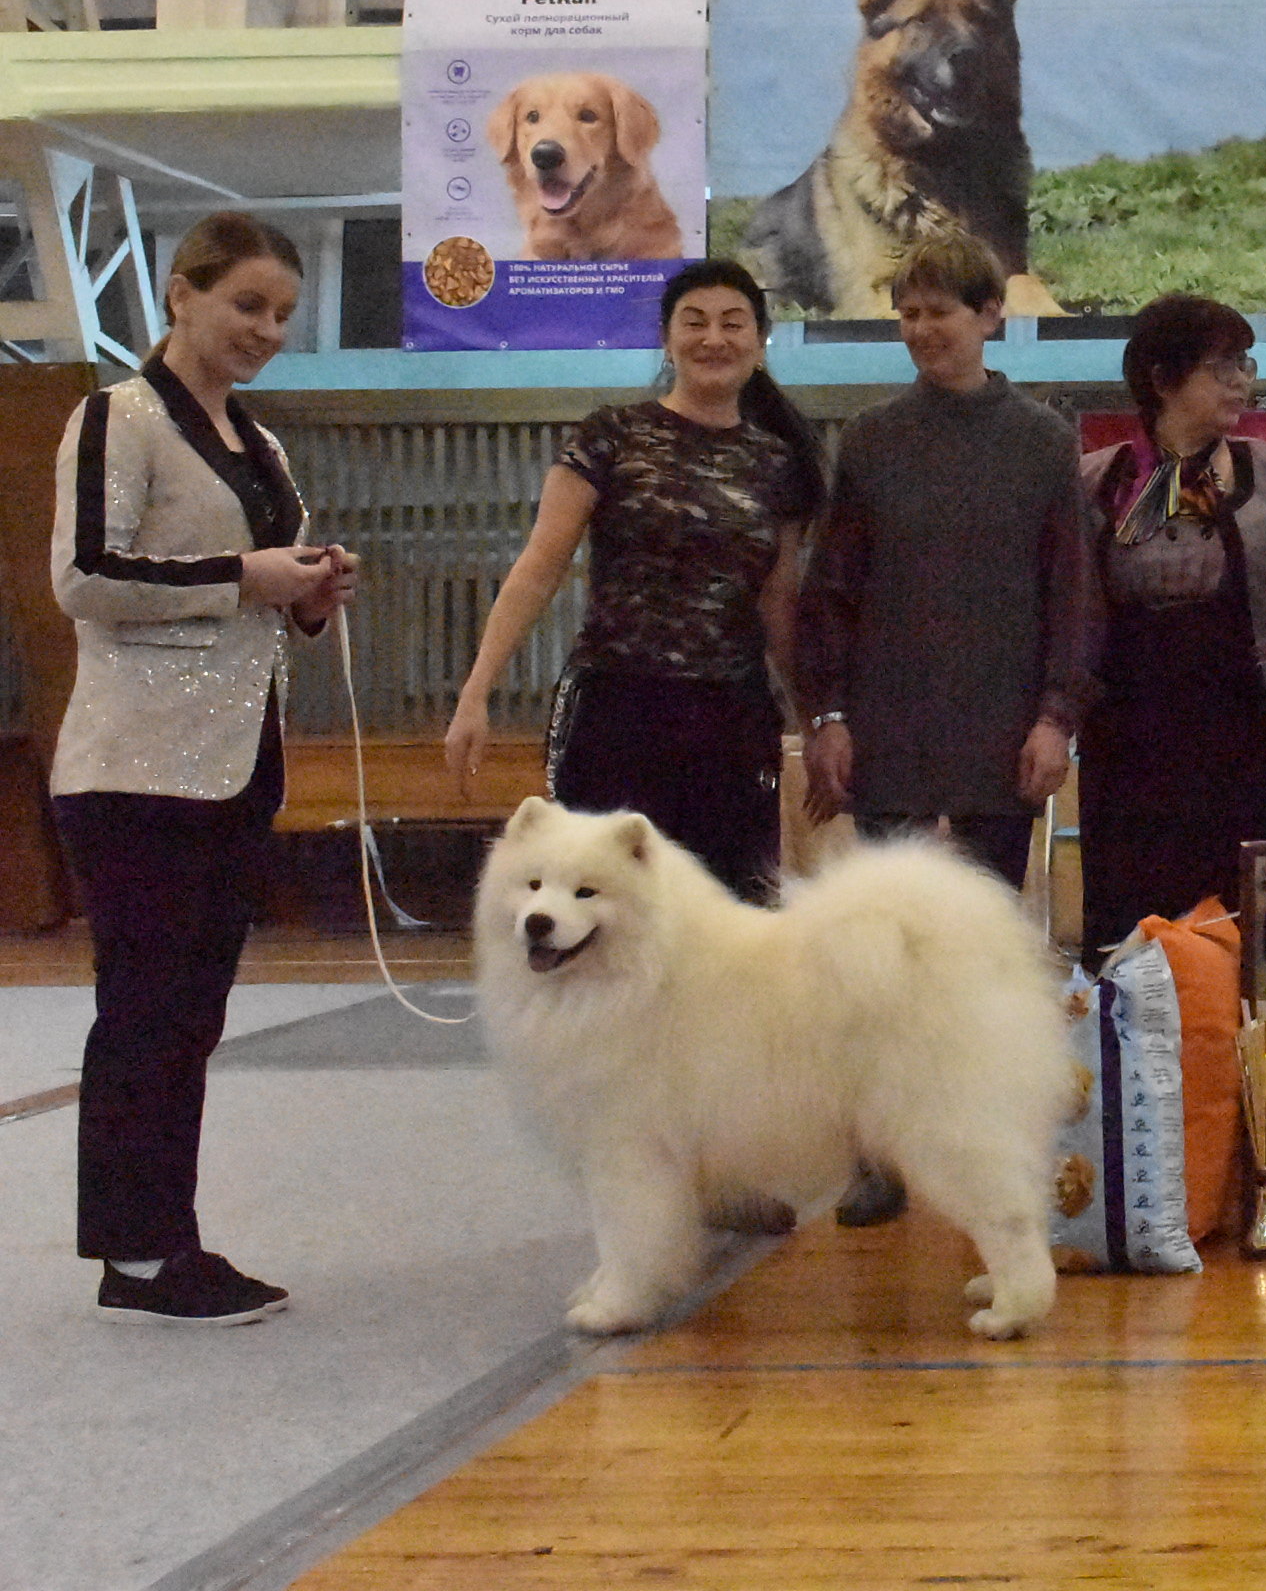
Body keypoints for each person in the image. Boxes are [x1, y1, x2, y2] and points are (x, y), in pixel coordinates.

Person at [54, 212, 358, 1324]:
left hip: (234, 764)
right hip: (134, 766)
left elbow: (259, 598)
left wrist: (310, 594)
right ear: (180, 295)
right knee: (141, 1013)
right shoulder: (113, 419)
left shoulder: (261, 445)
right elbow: (84, 575)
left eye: (281, 313)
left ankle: (161, 1237)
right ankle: (135, 1254)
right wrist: (247, 573)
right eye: (246, 305)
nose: (266, 329)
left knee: (190, 1016)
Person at [445, 259, 825, 898]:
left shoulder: (779, 463)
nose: (713, 339)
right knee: (604, 910)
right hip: (616, 711)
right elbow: (540, 566)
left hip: (731, 723)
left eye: (733, 324)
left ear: (760, 343)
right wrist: (477, 690)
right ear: (667, 337)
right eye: (694, 322)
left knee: (727, 917)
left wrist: (812, 724)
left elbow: (779, 605)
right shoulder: (612, 434)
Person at [795, 236, 1094, 882]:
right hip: (888, 743)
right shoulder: (871, 438)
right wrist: (829, 717)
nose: (922, 329)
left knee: (983, 944)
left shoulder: (1044, 441)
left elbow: (1072, 595)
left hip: (1003, 743)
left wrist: (1055, 719)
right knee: (892, 941)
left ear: (989, 315)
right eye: (910, 314)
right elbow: (831, 592)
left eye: (940, 312)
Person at [1075, 295, 1266, 963]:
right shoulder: (1095, 481)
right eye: (1222, 365)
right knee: (1131, 948)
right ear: (1161, 378)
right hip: (1130, 760)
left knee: (1245, 944)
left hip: (1250, 748)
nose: (1243, 379)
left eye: (1246, 362)